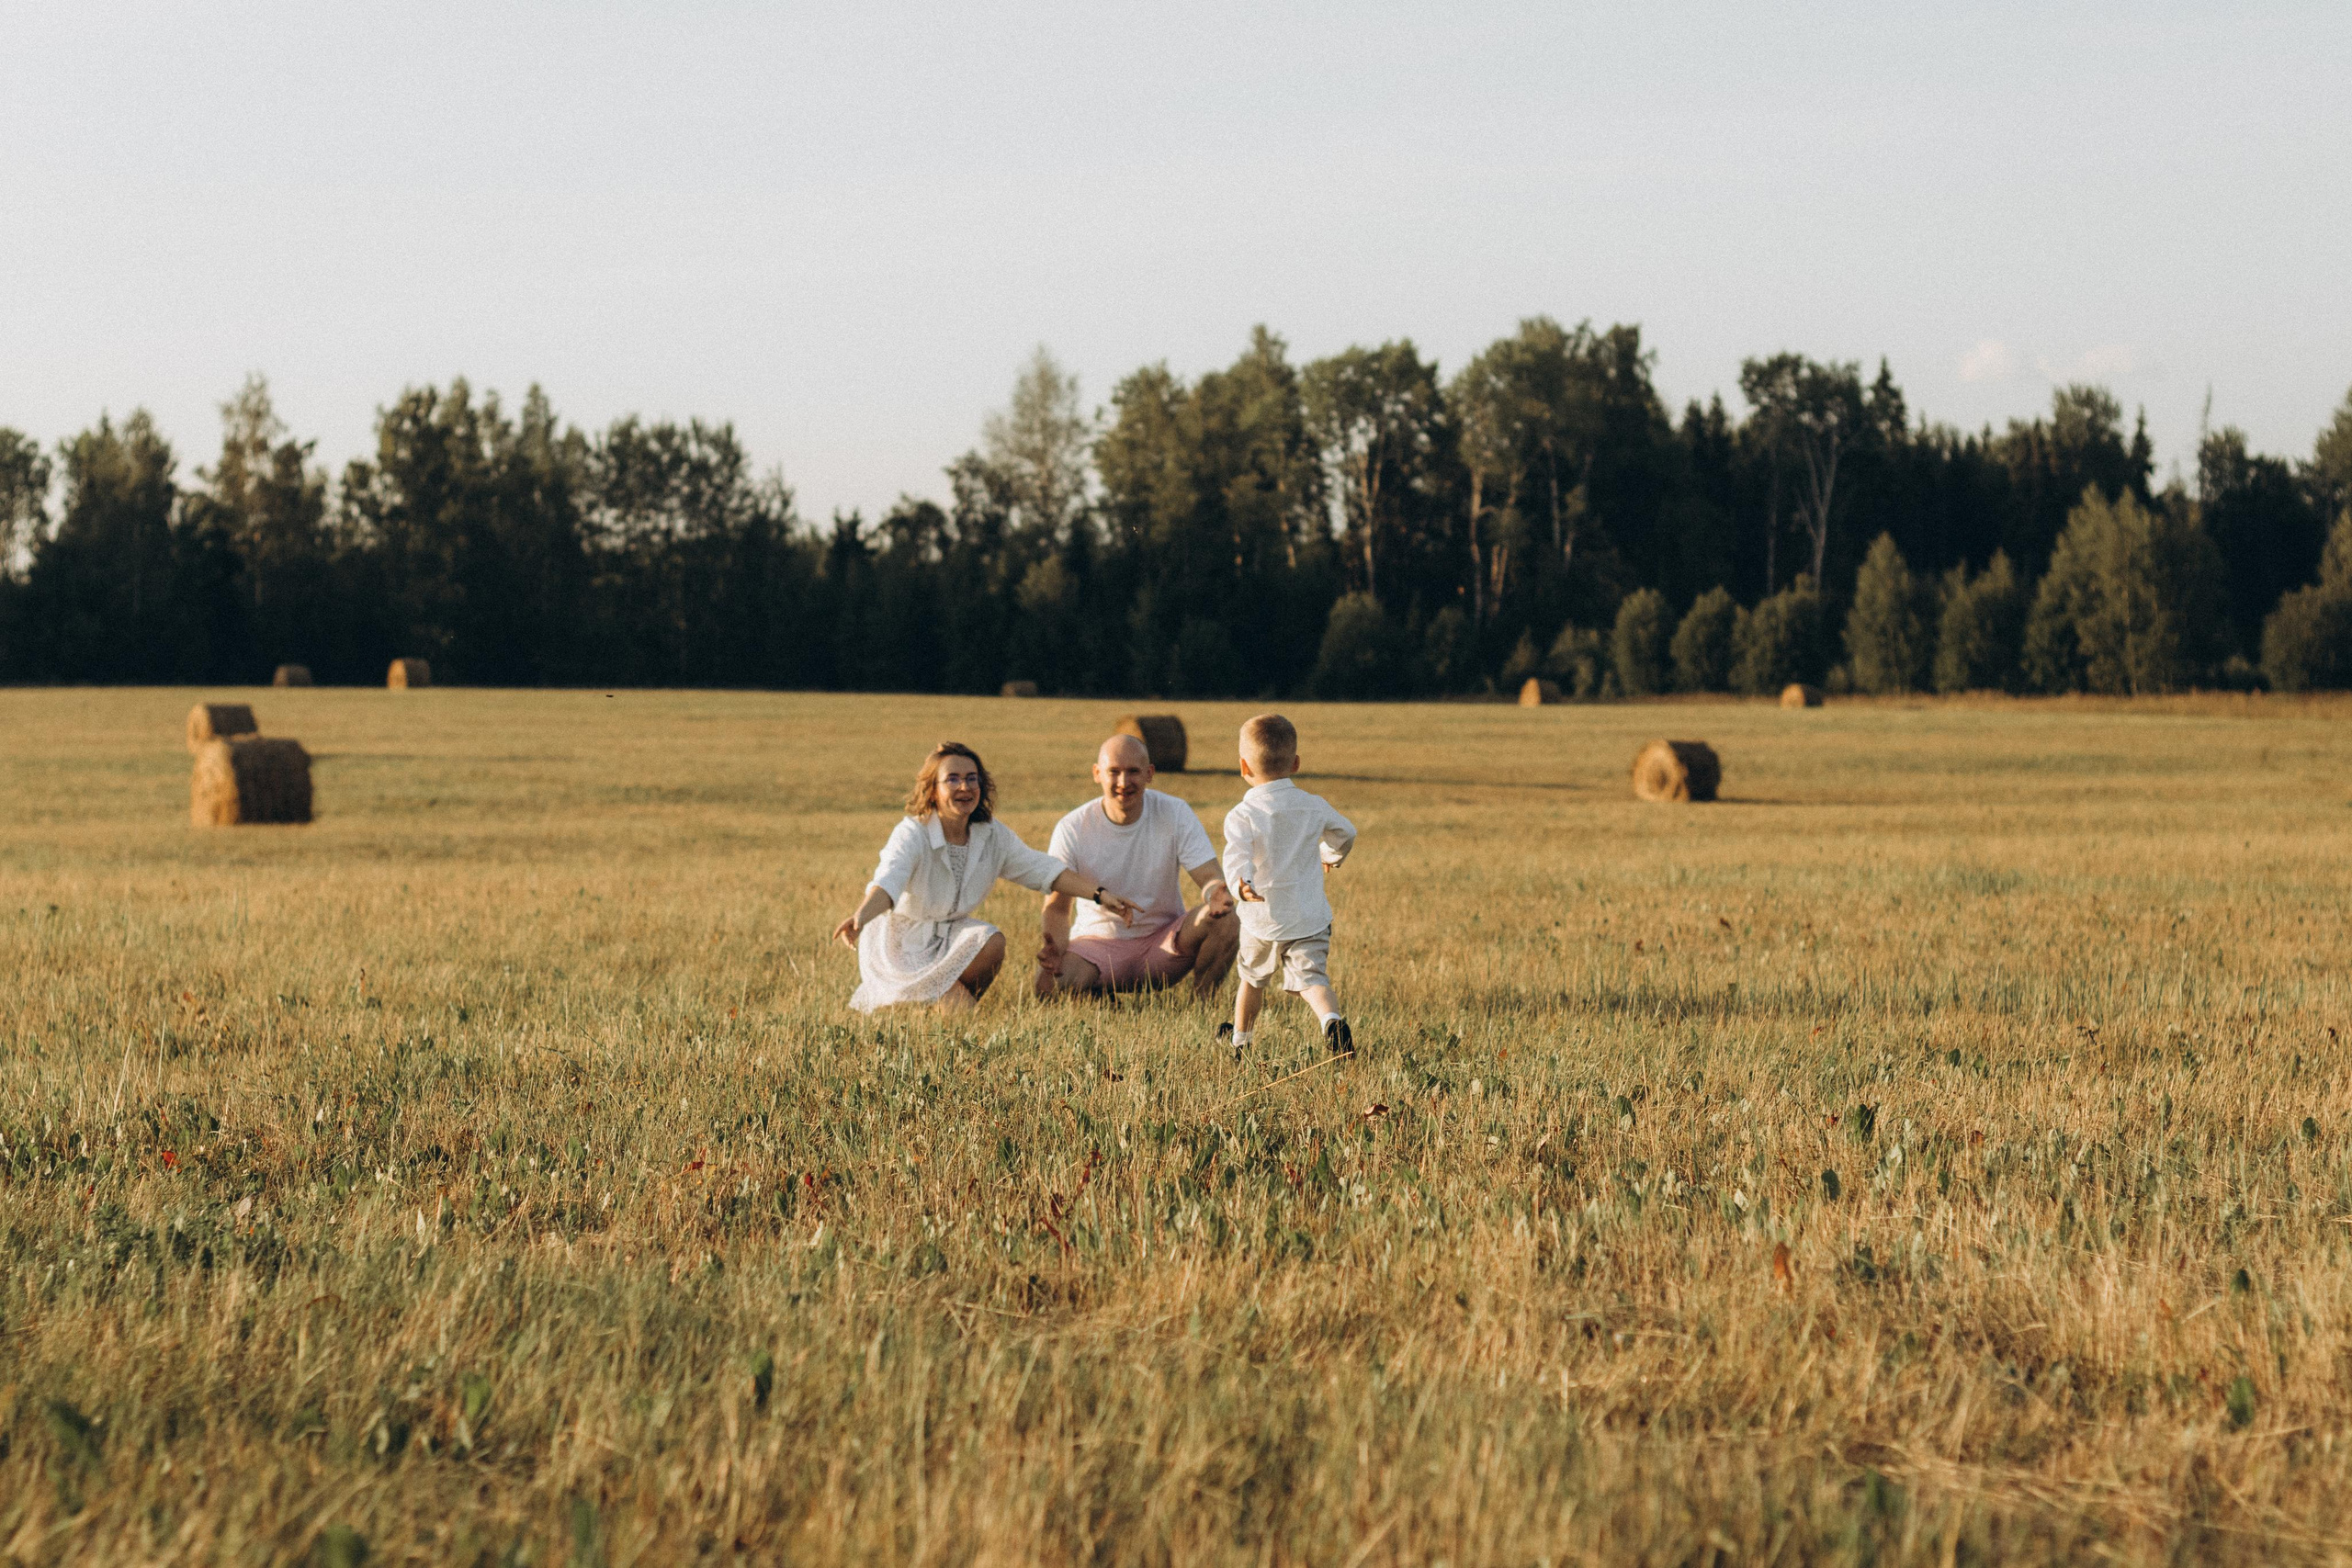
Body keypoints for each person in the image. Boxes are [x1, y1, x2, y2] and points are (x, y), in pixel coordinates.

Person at [835, 741, 1140, 1013]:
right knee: (955, 1011)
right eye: (952, 779)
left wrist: (1100, 894)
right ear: (933, 790)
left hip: (949, 935)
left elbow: (1044, 870)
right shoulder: (912, 832)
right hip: (903, 944)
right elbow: (888, 880)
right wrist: (862, 916)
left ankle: (944, 1004)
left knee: (992, 942)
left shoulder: (991, 834)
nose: (964, 787)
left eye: (972, 778)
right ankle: (935, 1006)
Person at [1034, 732, 1239, 999]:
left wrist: (1215, 893)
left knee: (1228, 918)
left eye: (1133, 771)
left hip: (1164, 945)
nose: (1123, 782)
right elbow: (1057, 908)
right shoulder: (1072, 827)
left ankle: (1203, 1003)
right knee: (1047, 987)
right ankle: (1100, 998)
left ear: (1149, 773)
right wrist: (1057, 949)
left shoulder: (1174, 812)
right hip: (1097, 946)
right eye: (1114, 772)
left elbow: (1208, 875)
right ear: (1097, 773)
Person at [1220, 713, 1357, 1057]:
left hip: (1262, 919)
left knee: (1252, 980)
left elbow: (1237, 856)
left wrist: (1242, 886)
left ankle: (1241, 1042)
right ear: (1295, 763)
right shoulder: (1313, 805)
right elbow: (1346, 833)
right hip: (1309, 917)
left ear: (1243, 766)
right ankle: (1331, 1021)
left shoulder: (1242, 815)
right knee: (1313, 979)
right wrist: (1329, 854)